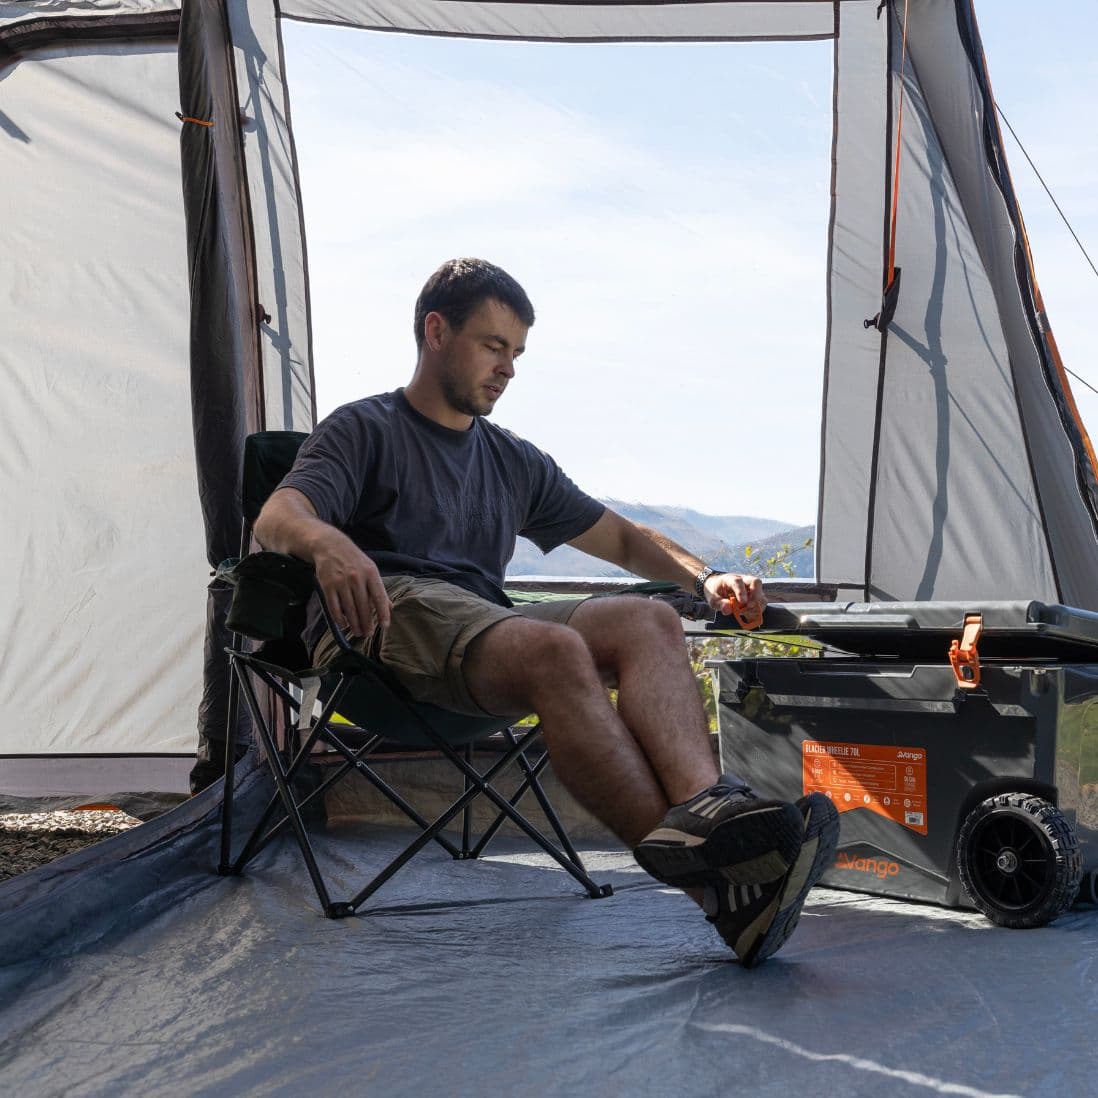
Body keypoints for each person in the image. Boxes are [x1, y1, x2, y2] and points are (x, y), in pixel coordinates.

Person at [254, 257, 839, 967]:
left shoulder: (511, 460)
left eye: (517, 354)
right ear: (436, 332)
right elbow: (278, 514)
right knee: (554, 650)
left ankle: (708, 810)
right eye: (493, 347)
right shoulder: (364, 430)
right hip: (382, 626)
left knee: (648, 620)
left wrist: (708, 577)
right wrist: (328, 545)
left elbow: (622, 538)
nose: (508, 370)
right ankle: (717, 888)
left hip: (482, 632)